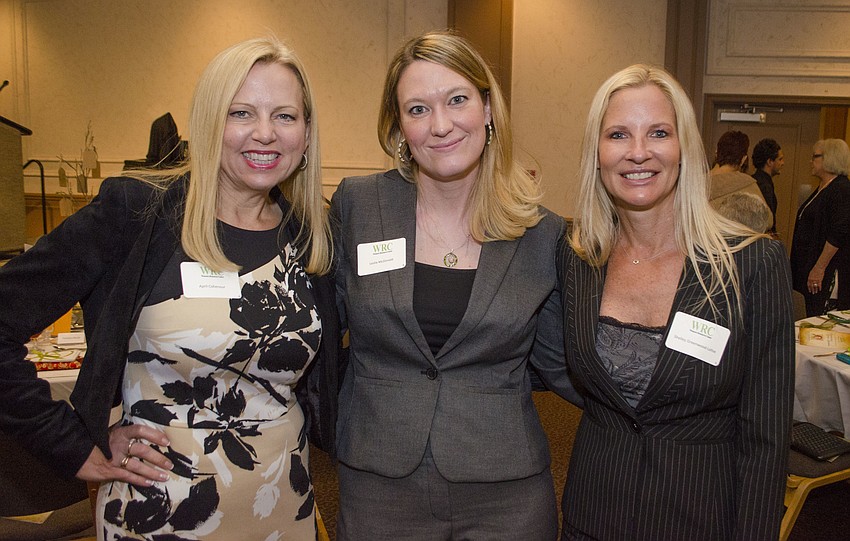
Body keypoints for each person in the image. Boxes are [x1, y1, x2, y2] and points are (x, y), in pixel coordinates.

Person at [0, 37, 340, 539]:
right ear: (208, 122)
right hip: (162, 513)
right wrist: (73, 445)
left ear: (307, 134)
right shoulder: (138, 214)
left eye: (285, 116)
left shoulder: (311, 237)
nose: (265, 133)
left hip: (283, 507)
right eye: (240, 112)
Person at [330, 31, 579, 540]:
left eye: (457, 100)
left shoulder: (542, 232)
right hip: (379, 483)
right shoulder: (358, 207)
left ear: (488, 109)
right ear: (399, 126)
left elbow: (559, 361)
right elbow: (316, 334)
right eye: (417, 109)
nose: (439, 125)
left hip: (505, 491)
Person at [558, 64, 793, 540]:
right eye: (619, 134)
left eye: (659, 133)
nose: (638, 152)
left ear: (684, 148)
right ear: (597, 153)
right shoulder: (578, 256)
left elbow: (766, 439)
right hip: (592, 513)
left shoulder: (752, 264)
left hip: (701, 517)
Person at [790, 139, 850, 316]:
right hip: (807, 267)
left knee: (818, 317)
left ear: (830, 158)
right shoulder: (824, 187)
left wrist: (819, 268)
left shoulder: (841, 189)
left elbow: (838, 233)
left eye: (815, 156)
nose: (811, 161)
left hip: (825, 272)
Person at [708, 130, 768, 215]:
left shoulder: (695, 183)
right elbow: (767, 219)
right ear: (743, 159)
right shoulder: (748, 184)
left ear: (716, 151)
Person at [751, 137, 784, 234]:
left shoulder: (753, 180)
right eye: (780, 159)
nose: (783, 163)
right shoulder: (765, 186)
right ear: (769, 162)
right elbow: (766, 222)